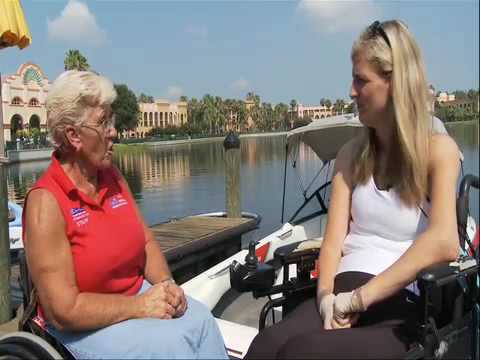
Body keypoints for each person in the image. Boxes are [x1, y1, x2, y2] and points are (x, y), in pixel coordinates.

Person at [246, 20, 460, 359]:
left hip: (400, 304)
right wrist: (327, 299)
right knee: (265, 346)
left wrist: (360, 298)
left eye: (361, 80)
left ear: (394, 84)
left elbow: (445, 241)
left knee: (304, 353)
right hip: (341, 293)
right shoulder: (349, 155)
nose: (350, 91)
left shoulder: (438, 151)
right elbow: (332, 244)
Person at [22, 71, 228, 359]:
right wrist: (141, 307)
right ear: (73, 135)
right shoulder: (46, 202)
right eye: (103, 122)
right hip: (81, 325)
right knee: (172, 347)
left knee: (202, 322)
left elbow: (145, 242)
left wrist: (166, 286)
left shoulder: (112, 176)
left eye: (112, 120)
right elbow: (63, 311)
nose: (113, 131)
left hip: (136, 296)